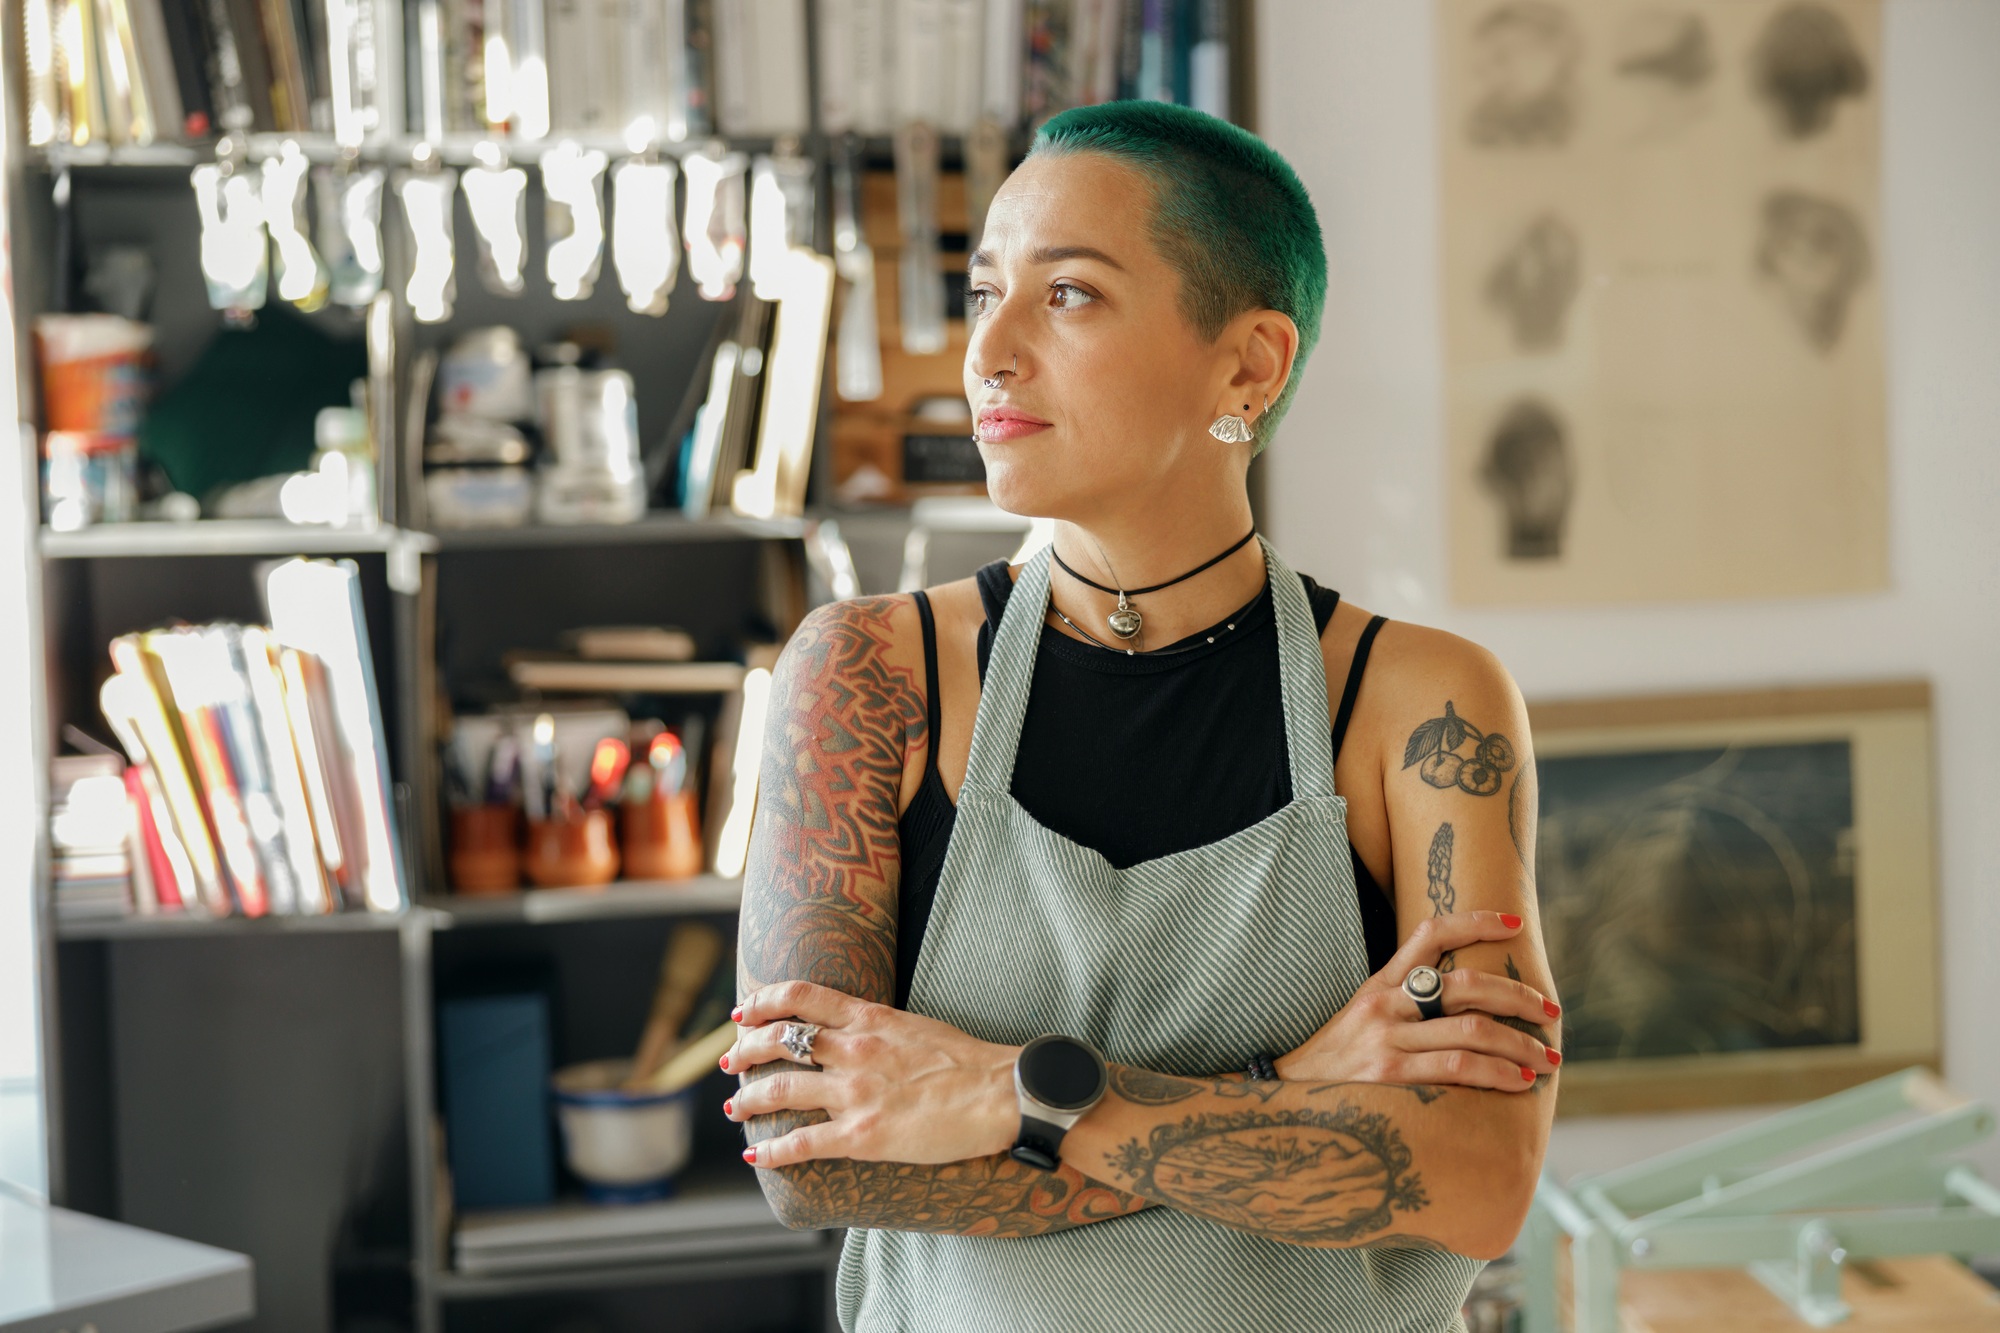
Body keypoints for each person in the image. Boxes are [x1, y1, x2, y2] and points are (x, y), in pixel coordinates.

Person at [721, 101, 1561, 1332]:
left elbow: (1478, 1185)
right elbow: (814, 1161)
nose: (989, 353)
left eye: (1067, 296)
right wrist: (1295, 1087)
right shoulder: (868, 673)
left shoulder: (1420, 704)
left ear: (1246, 365)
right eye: (982, 291)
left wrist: (1006, 1094)